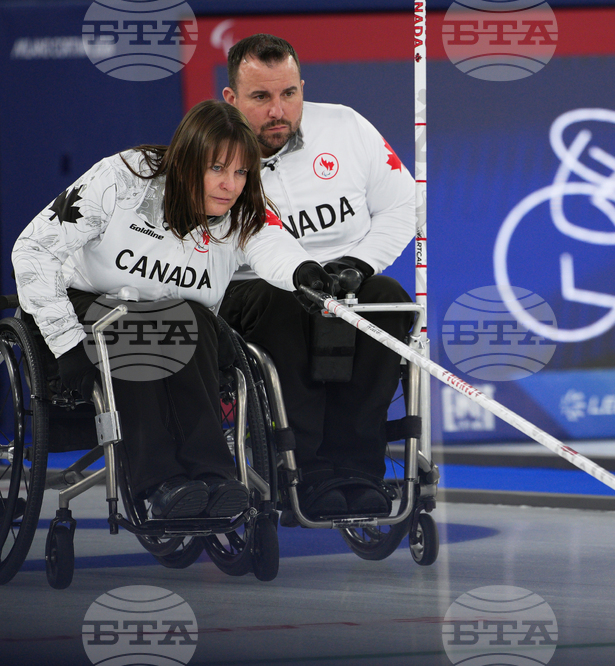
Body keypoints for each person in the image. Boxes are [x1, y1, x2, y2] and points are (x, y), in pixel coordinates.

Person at [11, 100, 333, 520]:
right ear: (186, 163)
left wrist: (303, 272)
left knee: (197, 320)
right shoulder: (124, 177)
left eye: (240, 172)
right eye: (217, 168)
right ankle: (160, 483)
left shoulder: (244, 206)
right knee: (133, 327)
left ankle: (214, 477)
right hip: (88, 305)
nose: (230, 185)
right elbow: (33, 249)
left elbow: (272, 245)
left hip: (177, 324)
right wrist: (66, 342)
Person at [220, 34, 416, 520]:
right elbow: (251, 235)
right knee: (286, 306)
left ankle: (359, 470)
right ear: (232, 99)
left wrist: (361, 265)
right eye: (260, 97)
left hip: (344, 277)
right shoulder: (217, 150)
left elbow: (402, 203)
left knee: (387, 298)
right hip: (253, 287)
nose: (278, 111)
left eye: (289, 94)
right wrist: (299, 274)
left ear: (302, 87)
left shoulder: (346, 126)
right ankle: (304, 471)